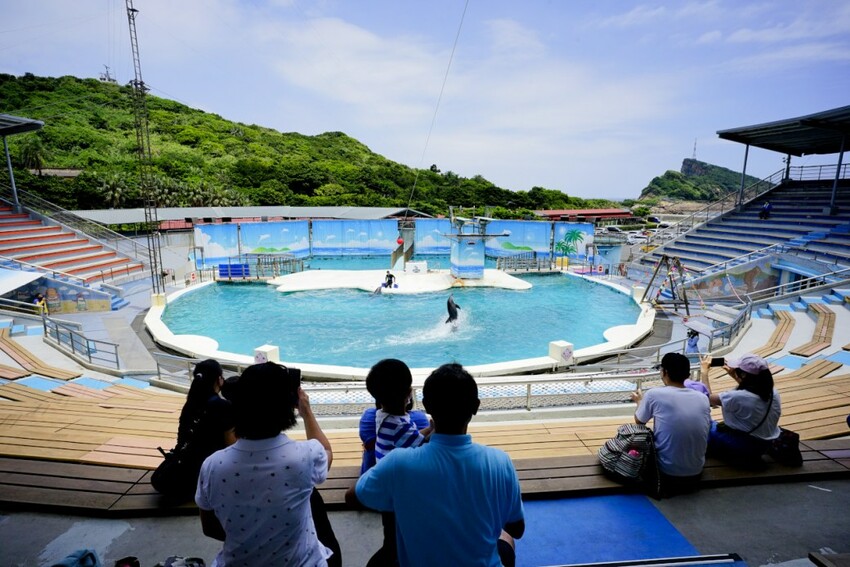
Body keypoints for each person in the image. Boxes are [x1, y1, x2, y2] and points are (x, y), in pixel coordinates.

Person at [347, 363, 525, 567]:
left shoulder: (398, 463)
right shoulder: (500, 462)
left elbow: (351, 497)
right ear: (476, 406)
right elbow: (517, 529)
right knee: (506, 539)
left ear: (427, 406)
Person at [196, 362, 336, 566]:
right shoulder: (304, 456)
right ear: (288, 407)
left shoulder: (213, 465)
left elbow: (209, 528)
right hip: (301, 562)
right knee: (313, 500)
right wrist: (306, 412)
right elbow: (327, 452)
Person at [359, 359, 431, 566]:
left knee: (391, 533)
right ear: (409, 392)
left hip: (388, 487)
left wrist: (426, 431)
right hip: (398, 494)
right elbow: (419, 442)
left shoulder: (383, 415)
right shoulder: (398, 423)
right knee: (397, 539)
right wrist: (435, 429)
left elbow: (412, 436)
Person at [631, 353, 711, 493]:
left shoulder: (654, 394)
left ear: (665, 372)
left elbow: (639, 421)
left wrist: (639, 402)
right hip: (696, 470)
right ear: (687, 374)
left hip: (666, 472)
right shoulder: (702, 398)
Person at [161, 359, 235, 501]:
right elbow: (231, 446)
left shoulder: (190, 404)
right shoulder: (222, 406)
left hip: (184, 468)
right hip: (206, 474)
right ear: (219, 380)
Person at [701, 353, 781, 466]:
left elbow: (707, 398)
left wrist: (704, 372)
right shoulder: (773, 392)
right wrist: (734, 375)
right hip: (764, 445)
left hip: (742, 446)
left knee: (708, 424)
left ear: (743, 374)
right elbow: (751, 392)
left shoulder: (737, 397)